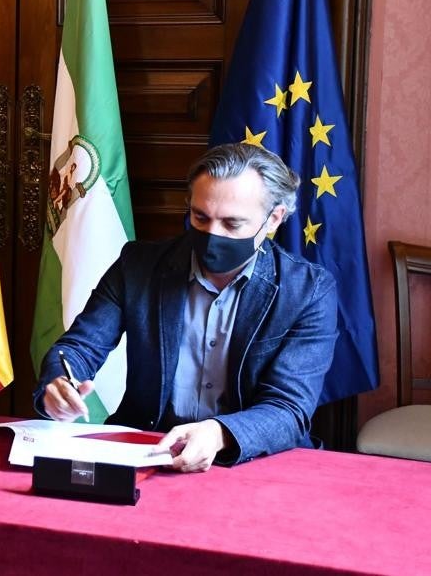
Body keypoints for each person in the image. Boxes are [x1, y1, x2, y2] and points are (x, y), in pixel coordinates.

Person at [35, 142, 337, 471]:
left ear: (273, 218)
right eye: (200, 217)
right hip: (149, 450)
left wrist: (220, 432)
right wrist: (59, 384)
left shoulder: (308, 291)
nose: (212, 234)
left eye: (232, 224)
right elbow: (79, 346)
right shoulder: (138, 266)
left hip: (251, 461)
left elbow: (289, 408)